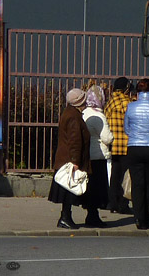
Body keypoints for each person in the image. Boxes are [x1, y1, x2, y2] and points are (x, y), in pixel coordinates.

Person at [124, 78, 149, 230]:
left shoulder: (131, 107)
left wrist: (136, 135)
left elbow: (126, 129)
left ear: (137, 92)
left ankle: (138, 217)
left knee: (137, 184)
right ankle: (147, 218)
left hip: (134, 147)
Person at [48, 88, 91, 229]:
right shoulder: (74, 116)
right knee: (69, 190)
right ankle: (65, 217)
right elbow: (75, 141)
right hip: (70, 160)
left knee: (67, 190)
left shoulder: (69, 113)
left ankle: (66, 217)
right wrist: (75, 161)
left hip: (66, 159)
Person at [82, 84, 113, 227]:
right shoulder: (99, 116)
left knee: (90, 188)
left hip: (86, 154)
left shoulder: (84, 113)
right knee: (98, 188)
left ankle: (91, 214)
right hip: (98, 155)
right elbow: (107, 138)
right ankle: (93, 217)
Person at [104, 76, 131, 214]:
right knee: (125, 176)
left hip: (114, 144)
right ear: (126, 88)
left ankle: (112, 202)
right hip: (126, 144)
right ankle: (123, 203)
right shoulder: (128, 103)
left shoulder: (110, 102)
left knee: (115, 175)